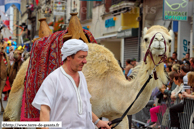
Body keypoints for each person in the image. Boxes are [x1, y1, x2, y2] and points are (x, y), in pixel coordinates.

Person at [32, 39, 111, 129]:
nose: (85, 61)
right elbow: (45, 109)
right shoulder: (54, 79)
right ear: (69, 56)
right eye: (81, 57)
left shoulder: (81, 76)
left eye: (85, 57)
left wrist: (98, 122)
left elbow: (84, 106)